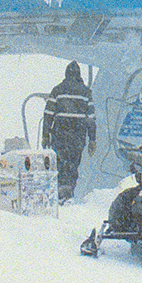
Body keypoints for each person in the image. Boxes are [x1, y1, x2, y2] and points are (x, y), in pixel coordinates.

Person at [40, 60, 97, 202]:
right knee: (73, 165)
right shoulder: (86, 92)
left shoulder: (57, 90)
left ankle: (59, 193)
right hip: (77, 137)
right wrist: (92, 139)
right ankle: (69, 193)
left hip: (60, 136)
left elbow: (48, 115)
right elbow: (91, 119)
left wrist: (45, 135)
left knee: (59, 164)